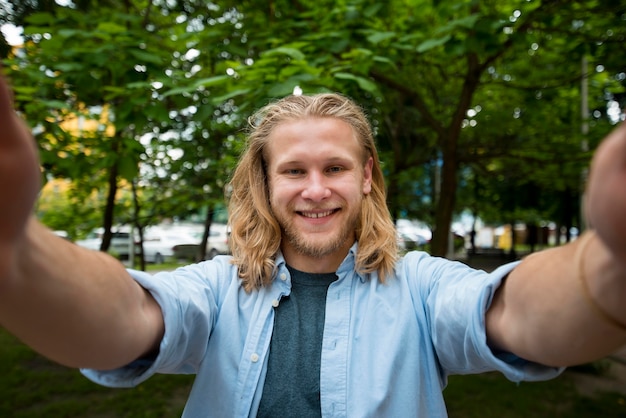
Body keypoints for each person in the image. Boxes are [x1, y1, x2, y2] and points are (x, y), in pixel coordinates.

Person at [0, 70, 625, 418]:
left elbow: (517, 313)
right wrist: (15, 251)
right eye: (294, 171)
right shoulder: (216, 289)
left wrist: (609, 266)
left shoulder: (424, 287)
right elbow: (122, 320)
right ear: (266, 183)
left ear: (368, 175)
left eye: (336, 168)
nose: (316, 189)